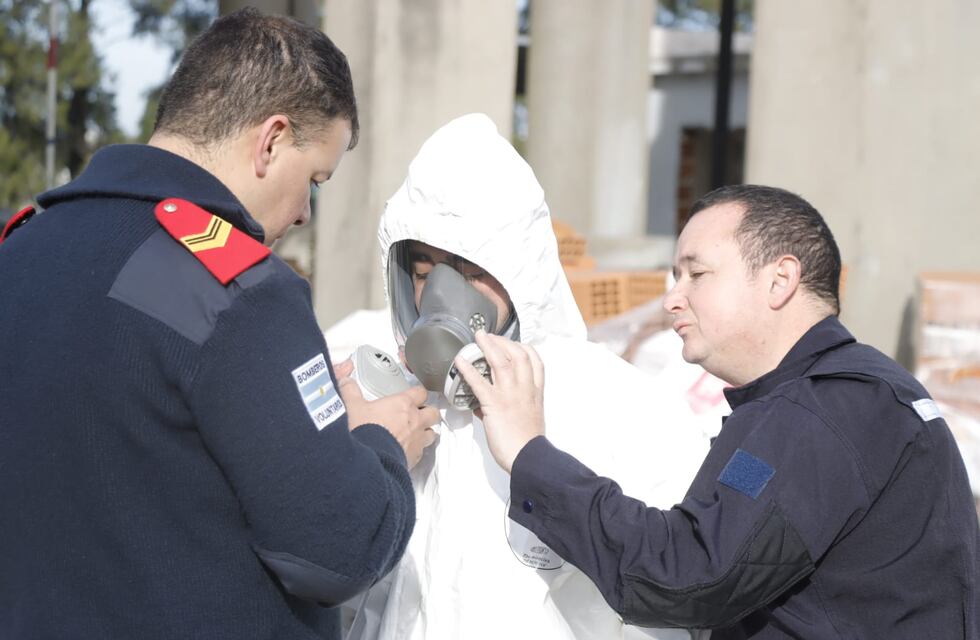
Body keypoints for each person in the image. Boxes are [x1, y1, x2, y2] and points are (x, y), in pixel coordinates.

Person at [0, 9, 437, 639]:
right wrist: (378, 444)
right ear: (270, 140)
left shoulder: (22, 251)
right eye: (314, 178)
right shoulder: (237, 290)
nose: (305, 213)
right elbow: (337, 546)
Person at [458, 184, 980, 637]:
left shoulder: (819, 411)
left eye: (696, 274)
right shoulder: (858, 393)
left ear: (780, 280)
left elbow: (688, 576)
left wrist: (530, 454)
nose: (671, 299)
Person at [342, 113, 709, 640]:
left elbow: (671, 593)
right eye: (423, 271)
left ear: (520, 269)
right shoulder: (405, 408)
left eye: (469, 272)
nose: (442, 295)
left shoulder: (614, 404)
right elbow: (372, 597)